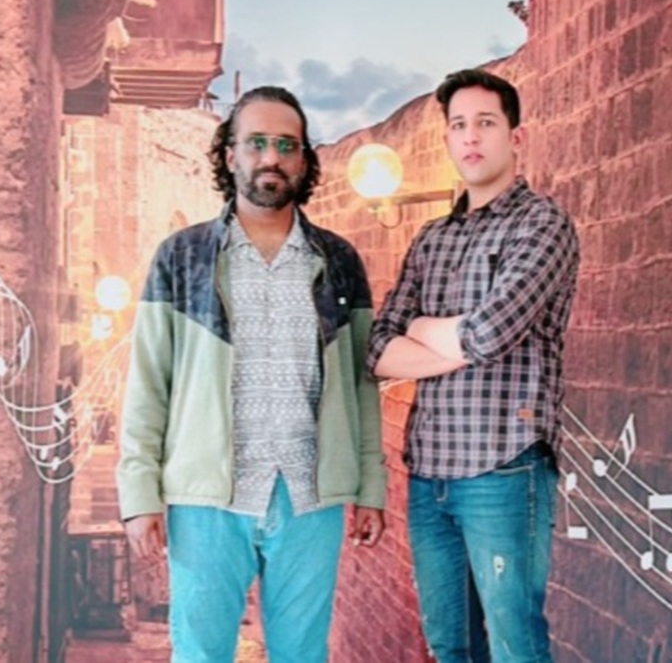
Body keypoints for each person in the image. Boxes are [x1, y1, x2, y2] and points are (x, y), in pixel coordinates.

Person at [116, 85, 387, 662]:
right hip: (207, 497)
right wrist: (139, 493)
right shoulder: (181, 257)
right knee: (200, 654)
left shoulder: (339, 262)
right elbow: (147, 384)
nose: (271, 157)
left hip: (309, 497)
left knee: (301, 655)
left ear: (304, 160)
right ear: (229, 154)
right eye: (256, 142)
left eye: (287, 145)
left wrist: (370, 487)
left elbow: (361, 386)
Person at [367, 68, 580, 662]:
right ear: (447, 139)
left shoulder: (542, 225)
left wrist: (421, 326)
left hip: (503, 467)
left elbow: (491, 333)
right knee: (449, 646)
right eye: (459, 125)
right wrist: (452, 339)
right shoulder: (430, 239)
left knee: (514, 646)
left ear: (516, 136)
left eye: (485, 122)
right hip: (430, 475)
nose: (471, 137)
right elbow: (378, 350)